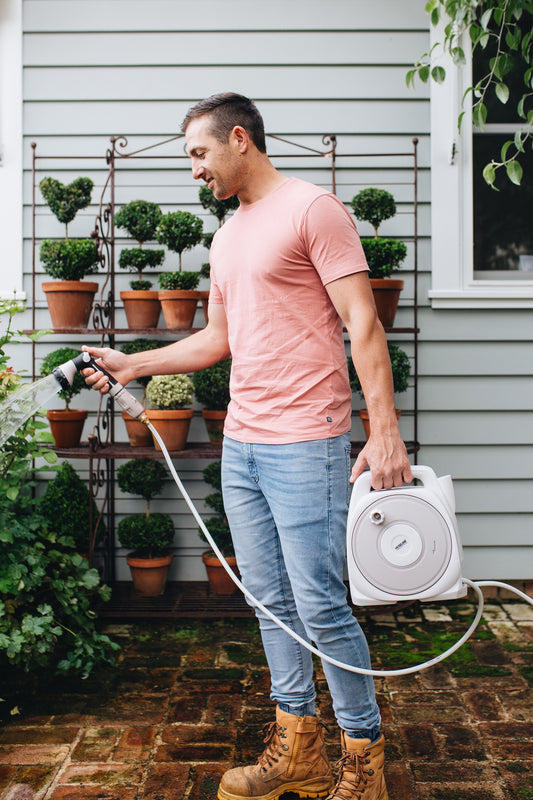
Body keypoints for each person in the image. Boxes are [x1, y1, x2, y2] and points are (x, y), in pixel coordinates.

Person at [82, 92, 412, 800]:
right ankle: (298, 751)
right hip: (246, 443)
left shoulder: (312, 211)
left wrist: (383, 432)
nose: (194, 170)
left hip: (307, 441)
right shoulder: (226, 236)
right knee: (267, 601)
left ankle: (364, 759)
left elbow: (363, 324)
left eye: (199, 154)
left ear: (239, 139)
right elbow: (217, 340)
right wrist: (133, 364)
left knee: (320, 603)